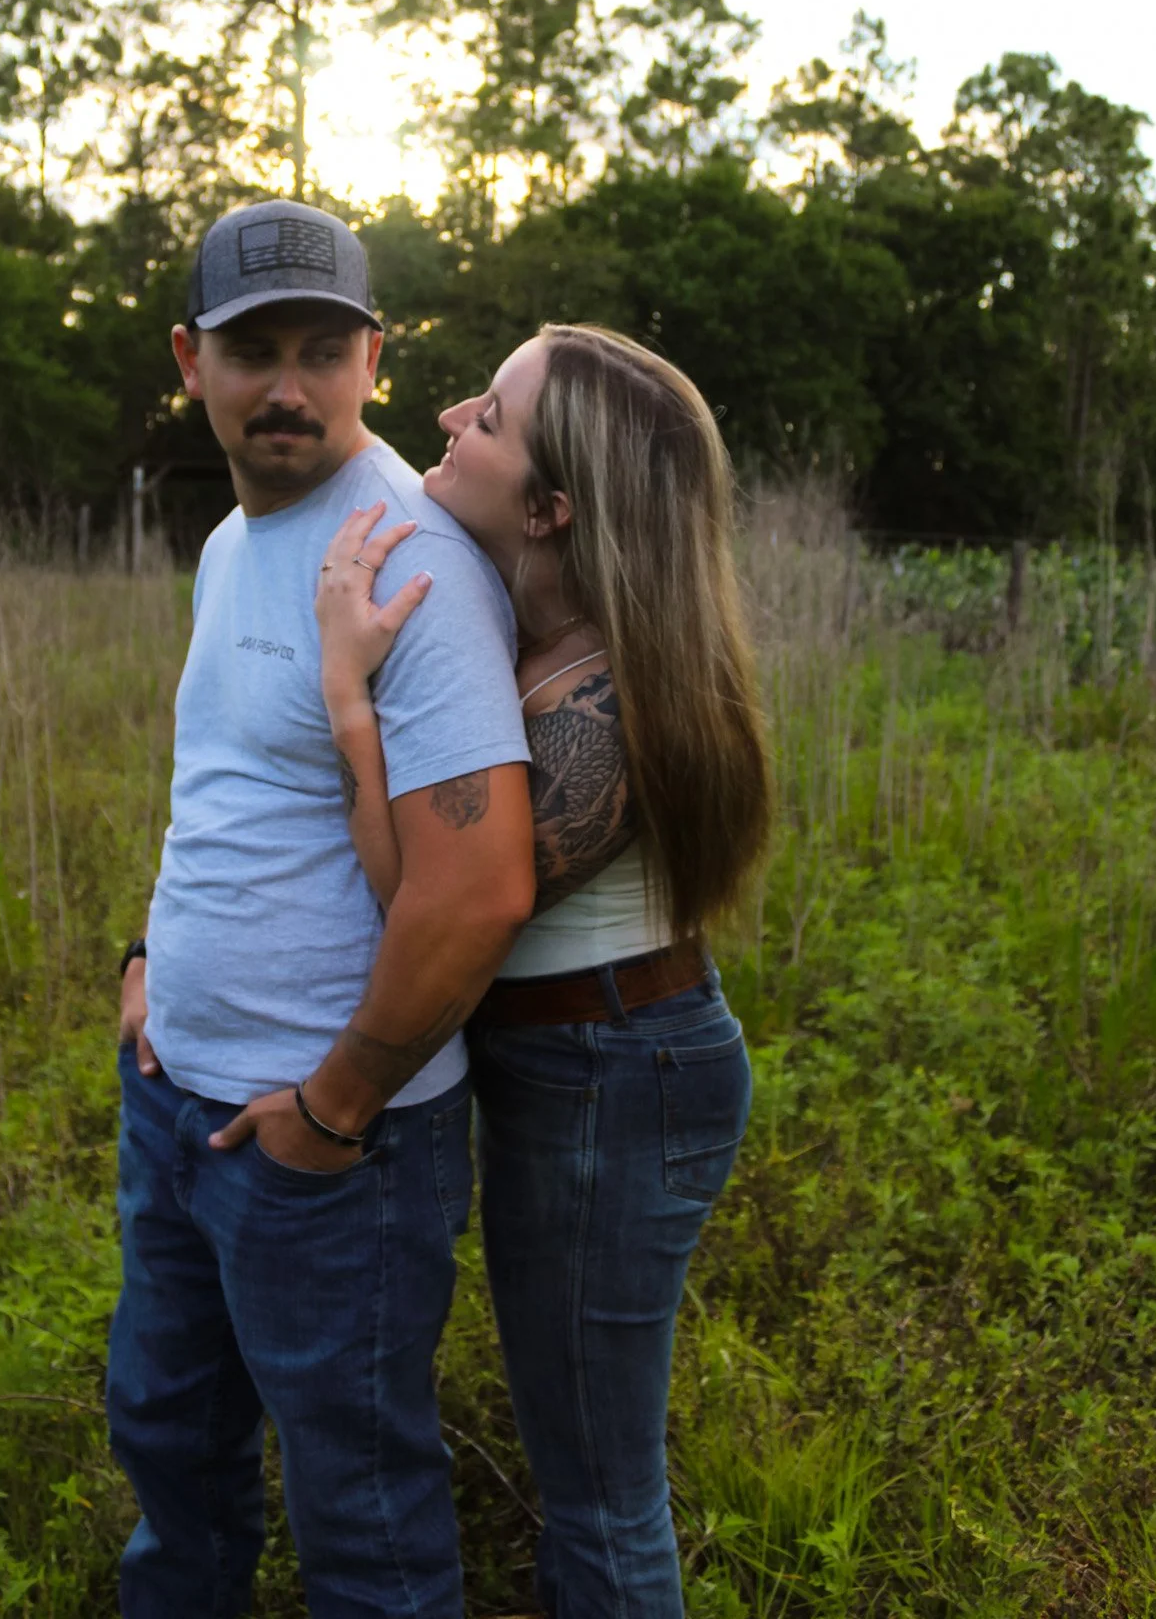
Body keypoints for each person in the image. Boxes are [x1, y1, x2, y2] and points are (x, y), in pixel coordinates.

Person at [106, 198, 536, 1619]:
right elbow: (231, 790)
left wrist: (332, 1112)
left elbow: (477, 893)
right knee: (170, 1446)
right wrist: (147, 960)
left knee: (360, 1513)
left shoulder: (408, 560)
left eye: (319, 348)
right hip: (177, 1104)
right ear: (191, 362)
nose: (285, 385)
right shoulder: (241, 539)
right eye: (250, 352)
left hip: (330, 1148)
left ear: (373, 358)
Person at [316, 323, 771, 1619]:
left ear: (555, 508)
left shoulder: (598, 711)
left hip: (610, 1079)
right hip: (591, 1066)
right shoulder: (550, 650)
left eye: (493, 419)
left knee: (600, 1493)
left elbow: (424, 895)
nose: (452, 416)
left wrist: (351, 696)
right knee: (580, 1466)